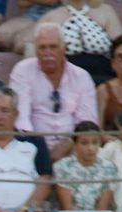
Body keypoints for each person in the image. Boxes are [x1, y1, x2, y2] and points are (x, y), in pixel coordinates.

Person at [12, 24, 97, 161]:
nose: (47, 53)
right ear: (36, 49)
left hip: (73, 149)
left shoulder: (81, 77)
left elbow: (87, 122)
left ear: (64, 48)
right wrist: (39, 150)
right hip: (31, 148)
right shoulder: (23, 70)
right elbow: (21, 119)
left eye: (53, 47)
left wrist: (67, 145)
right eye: (42, 47)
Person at [36, 0, 121, 84]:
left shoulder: (106, 11)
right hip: (66, 76)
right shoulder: (53, 15)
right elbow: (31, 42)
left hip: (103, 74)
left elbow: (121, 45)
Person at [51, 119, 114, 210]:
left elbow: (102, 209)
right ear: (75, 144)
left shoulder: (108, 168)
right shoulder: (62, 167)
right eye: (84, 143)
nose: (90, 148)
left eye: (95, 142)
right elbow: (67, 209)